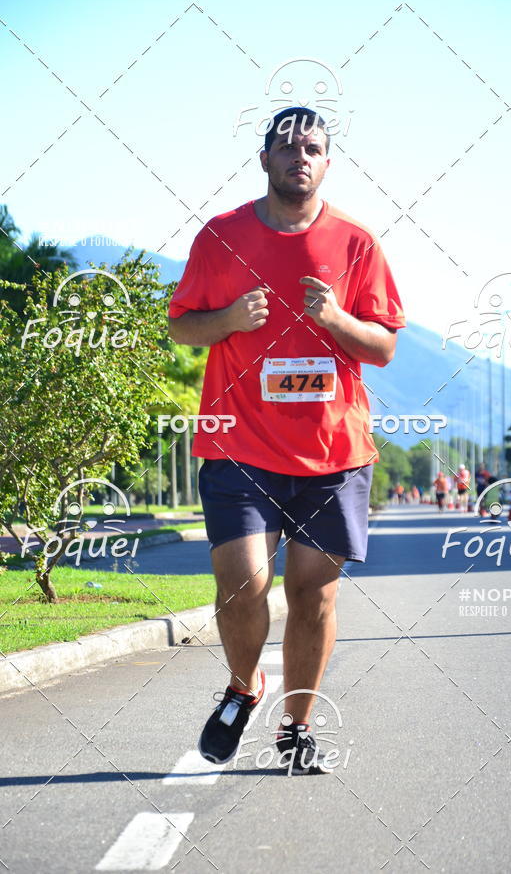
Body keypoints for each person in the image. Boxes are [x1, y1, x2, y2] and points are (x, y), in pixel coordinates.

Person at [168, 107, 405, 775]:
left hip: (333, 453)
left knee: (313, 595)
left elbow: (383, 346)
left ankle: (296, 726)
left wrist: (334, 318)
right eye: (287, 146)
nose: (300, 155)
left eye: (314, 147)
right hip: (238, 445)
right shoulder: (222, 237)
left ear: (328, 163)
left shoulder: (357, 244)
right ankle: (244, 688)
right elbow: (184, 327)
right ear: (264, 159)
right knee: (243, 585)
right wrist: (229, 318)